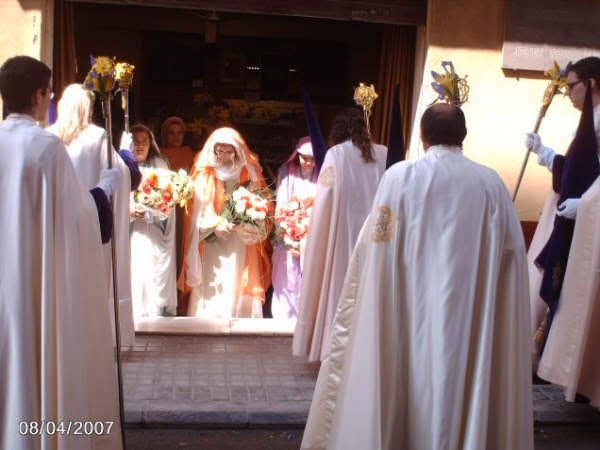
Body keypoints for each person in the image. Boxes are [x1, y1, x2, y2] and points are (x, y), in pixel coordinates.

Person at [301, 103, 533, 450]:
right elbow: (511, 256)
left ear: (422, 136)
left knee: (404, 381)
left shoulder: (400, 178)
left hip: (409, 312)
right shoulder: (491, 183)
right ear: (464, 136)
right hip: (470, 316)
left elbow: (376, 246)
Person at [0, 56, 123, 449]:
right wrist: (104, 190)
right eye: (50, 92)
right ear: (39, 94)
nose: (50, 99)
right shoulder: (45, 146)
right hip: (33, 280)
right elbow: (75, 216)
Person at [526, 56, 600, 407]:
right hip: (576, 224)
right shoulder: (590, 121)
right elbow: (575, 170)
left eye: (572, 87)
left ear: (592, 83)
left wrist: (585, 204)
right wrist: (544, 153)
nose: (568, 94)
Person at [293, 107, 387, 361]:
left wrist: (319, 235)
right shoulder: (384, 153)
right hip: (376, 236)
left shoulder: (336, 154)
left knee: (341, 285)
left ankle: (335, 349)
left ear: (338, 130)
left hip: (343, 233)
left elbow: (325, 200)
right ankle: (367, 350)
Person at [48, 83, 137, 347]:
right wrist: (126, 153)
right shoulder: (97, 136)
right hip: (90, 216)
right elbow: (122, 175)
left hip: (58, 219)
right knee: (91, 277)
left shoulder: (49, 136)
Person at [178, 127, 271, 318]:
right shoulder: (205, 172)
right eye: (219, 150)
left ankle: (235, 313)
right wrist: (214, 224)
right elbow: (196, 209)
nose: (223, 155)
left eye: (228, 151)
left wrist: (245, 220)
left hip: (238, 237)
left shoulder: (248, 172)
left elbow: (260, 203)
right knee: (212, 276)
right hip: (211, 237)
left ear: (236, 151)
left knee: (235, 274)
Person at [129, 123, 178, 318]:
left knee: (152, 269)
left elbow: (168, 200)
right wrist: (128, 210)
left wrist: (154, 207)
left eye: (144, 141)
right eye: (136, 141)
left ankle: (154, 311)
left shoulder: (160, 165)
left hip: (154, 230)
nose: (140, 145)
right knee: (133, 269)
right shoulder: (120, 165)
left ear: (151, 144)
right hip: (130, 231)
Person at [271, 136, 318, 319]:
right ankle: (283, 315)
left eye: (313, 158)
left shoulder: (323, 174)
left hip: (312, 236)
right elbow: (281, 205)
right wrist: (288, 234)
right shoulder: (286, 172)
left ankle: (304, 318)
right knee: (286, 274)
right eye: (305, 158)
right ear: (297, 155)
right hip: (287, 233)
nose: (309, 162)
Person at [159, 116, 196, 315]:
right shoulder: (159, 154)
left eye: (179, 133)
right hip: (163, 208)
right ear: (164, 135)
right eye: (171, 133)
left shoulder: (189, 154)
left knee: (183, 248)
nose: (176, 137)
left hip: (184, 210)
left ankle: (182, 300)